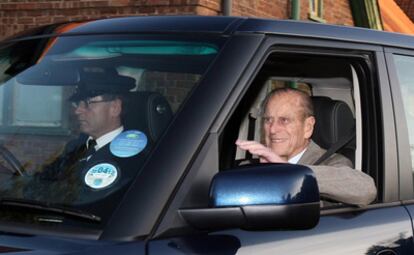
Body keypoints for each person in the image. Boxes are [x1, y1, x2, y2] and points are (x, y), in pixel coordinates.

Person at [236, 88, 377, 206]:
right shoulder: (251, 165)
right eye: (268, 120)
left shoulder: (333, 164)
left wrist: (288, 172)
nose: (272, 129)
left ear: (308, 127)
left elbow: (366, 189)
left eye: (284, 120)